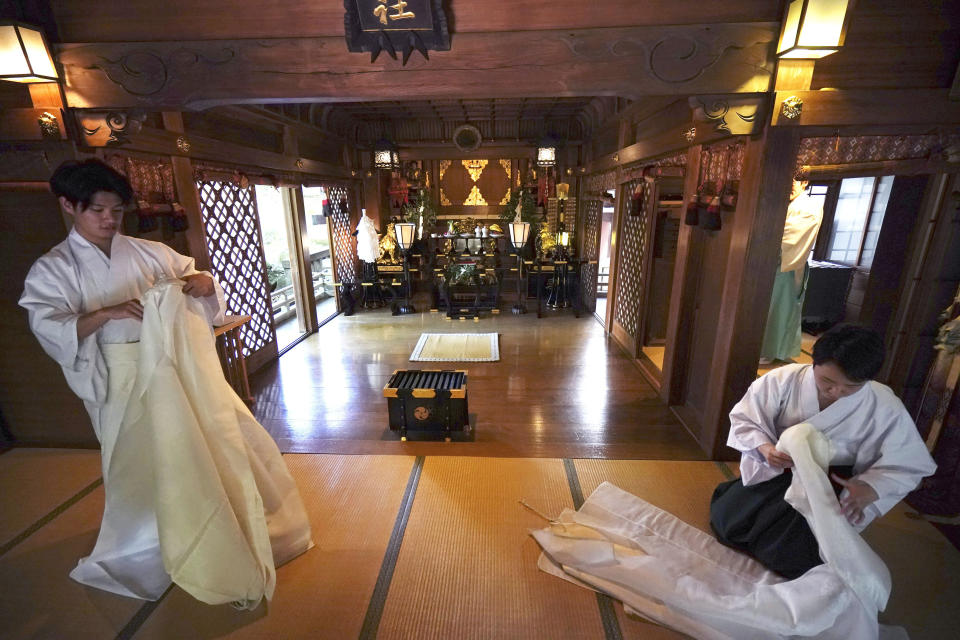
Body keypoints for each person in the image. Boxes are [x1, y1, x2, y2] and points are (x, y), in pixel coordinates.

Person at [19, 159, 311, 607]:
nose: (109, 219)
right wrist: (103, 313)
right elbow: (48, 323)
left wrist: (200, 281)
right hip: (119, 374)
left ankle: (224, 525)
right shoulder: (53, 268)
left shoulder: (146, 251)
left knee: (206, 443)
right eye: (97, 209)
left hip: (175, 368)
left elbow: (199, 276)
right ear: (68, 205)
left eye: (116, 210)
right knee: (137, 460)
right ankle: (153, 540)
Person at [711, 324, 936, 579]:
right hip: (778, 469)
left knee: (794, 557)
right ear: (813, 362)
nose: (836, 392)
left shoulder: (884, 404)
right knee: (728, 523)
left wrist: (872, 488)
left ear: (867, 380)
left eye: (850, 387)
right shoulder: (782, 380)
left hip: (833, 484)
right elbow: (746, 419)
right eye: (827, 381)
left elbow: (906, 460)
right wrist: (764, 448)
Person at [759, 173, 824, 363]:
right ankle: (764, 348)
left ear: (805, 182)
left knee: (776, 307)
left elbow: (790, 238)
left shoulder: (807, 206)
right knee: (766, 307)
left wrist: (763, 242)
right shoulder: (783, 202)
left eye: (794, 181)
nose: (788, 186)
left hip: (785, 265)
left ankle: (768, 350)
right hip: (769, 263)